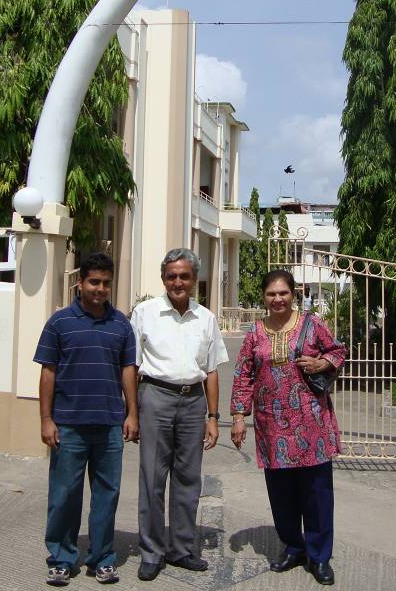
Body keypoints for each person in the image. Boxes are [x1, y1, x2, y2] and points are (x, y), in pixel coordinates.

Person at [230, 269, 347, 586]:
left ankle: (319, 556)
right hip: (271, 427)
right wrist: (239, 416)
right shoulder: (255, 333)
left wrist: (322, 363)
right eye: (271, 294)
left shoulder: (312, 324)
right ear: (264, 297)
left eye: (283, 293)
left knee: (317, 494)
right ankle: (294, 547)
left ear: (293, 294)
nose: (277, 299)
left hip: (311, 424)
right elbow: (243, 375)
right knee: (281, 494)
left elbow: (338, 350)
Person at [34, 252, 139, 587]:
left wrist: (132, 413)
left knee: (107, 495)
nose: (100, 289)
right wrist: (46, 419)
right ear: (80, 283)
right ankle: (61, 558)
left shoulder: (121, 324)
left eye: (106, 283)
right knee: (64, 495)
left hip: (109, 426)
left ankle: (102, 558)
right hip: (68, 425)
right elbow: (48, 372)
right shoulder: (59, 323)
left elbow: (128, 369)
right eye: (94, 282)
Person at [131, 248, 229, 581]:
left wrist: (212, 417)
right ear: (163, 278)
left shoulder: (206, 318)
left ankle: (182, 549)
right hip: (155, 397)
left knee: (188, 479)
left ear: (194, 279)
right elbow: (130, 365)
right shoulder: (144, 313)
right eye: (171, 276)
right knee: (152, 478)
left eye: (184, 276)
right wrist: (131, 412)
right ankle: (151, 552)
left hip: (192, 402)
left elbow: (211, 370)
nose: (178, 282)